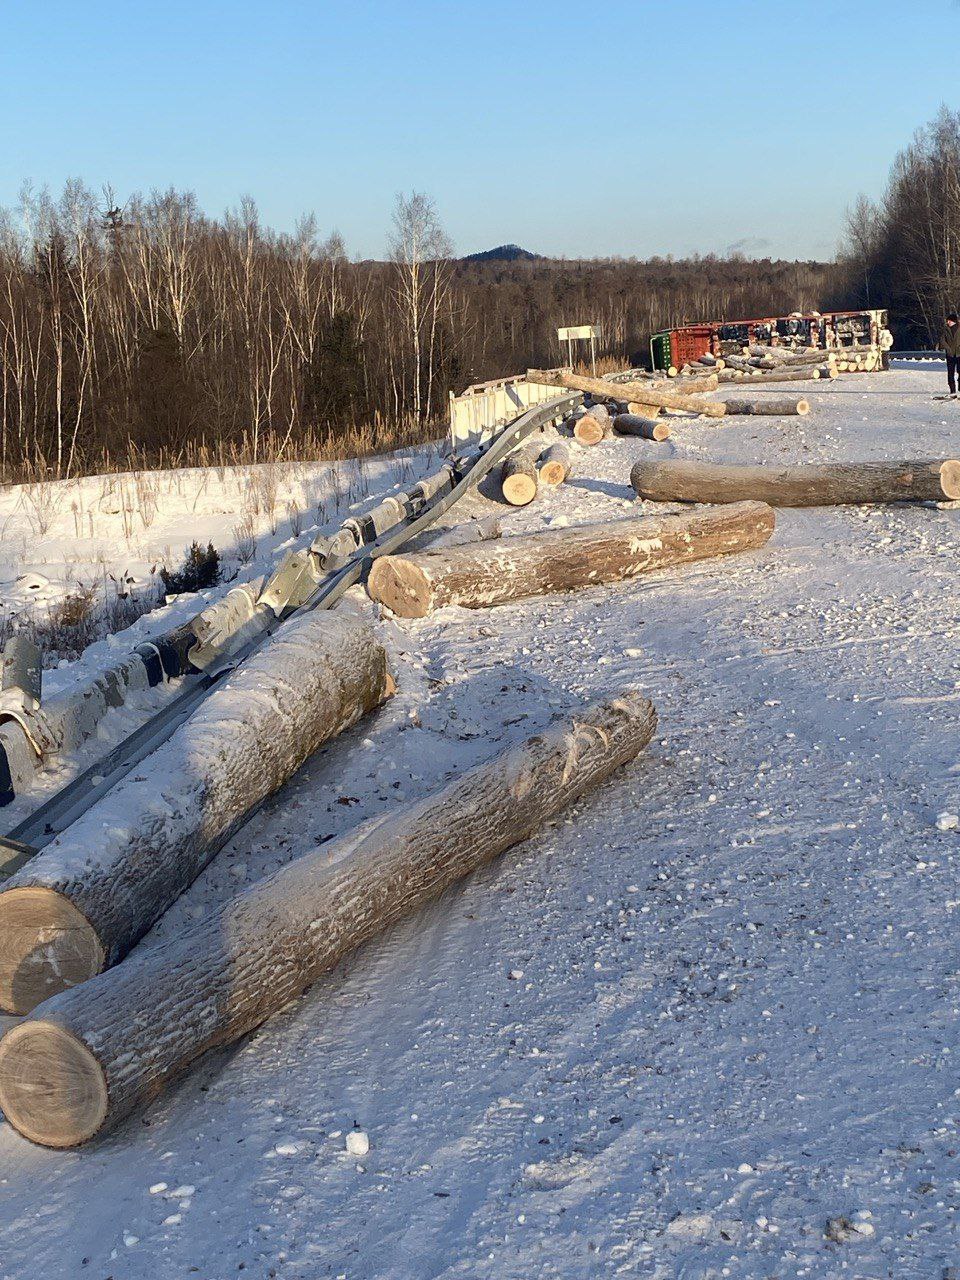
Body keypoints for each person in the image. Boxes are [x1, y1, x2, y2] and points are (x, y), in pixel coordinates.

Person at [940, 312, 960, 396]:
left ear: (953, 321)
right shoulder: (946, 330)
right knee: (950, 373)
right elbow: (942, 341)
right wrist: (948, 349)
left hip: (959, 354)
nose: (947, 322)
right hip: (950, 355)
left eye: (949, 321)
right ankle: (952, 390)